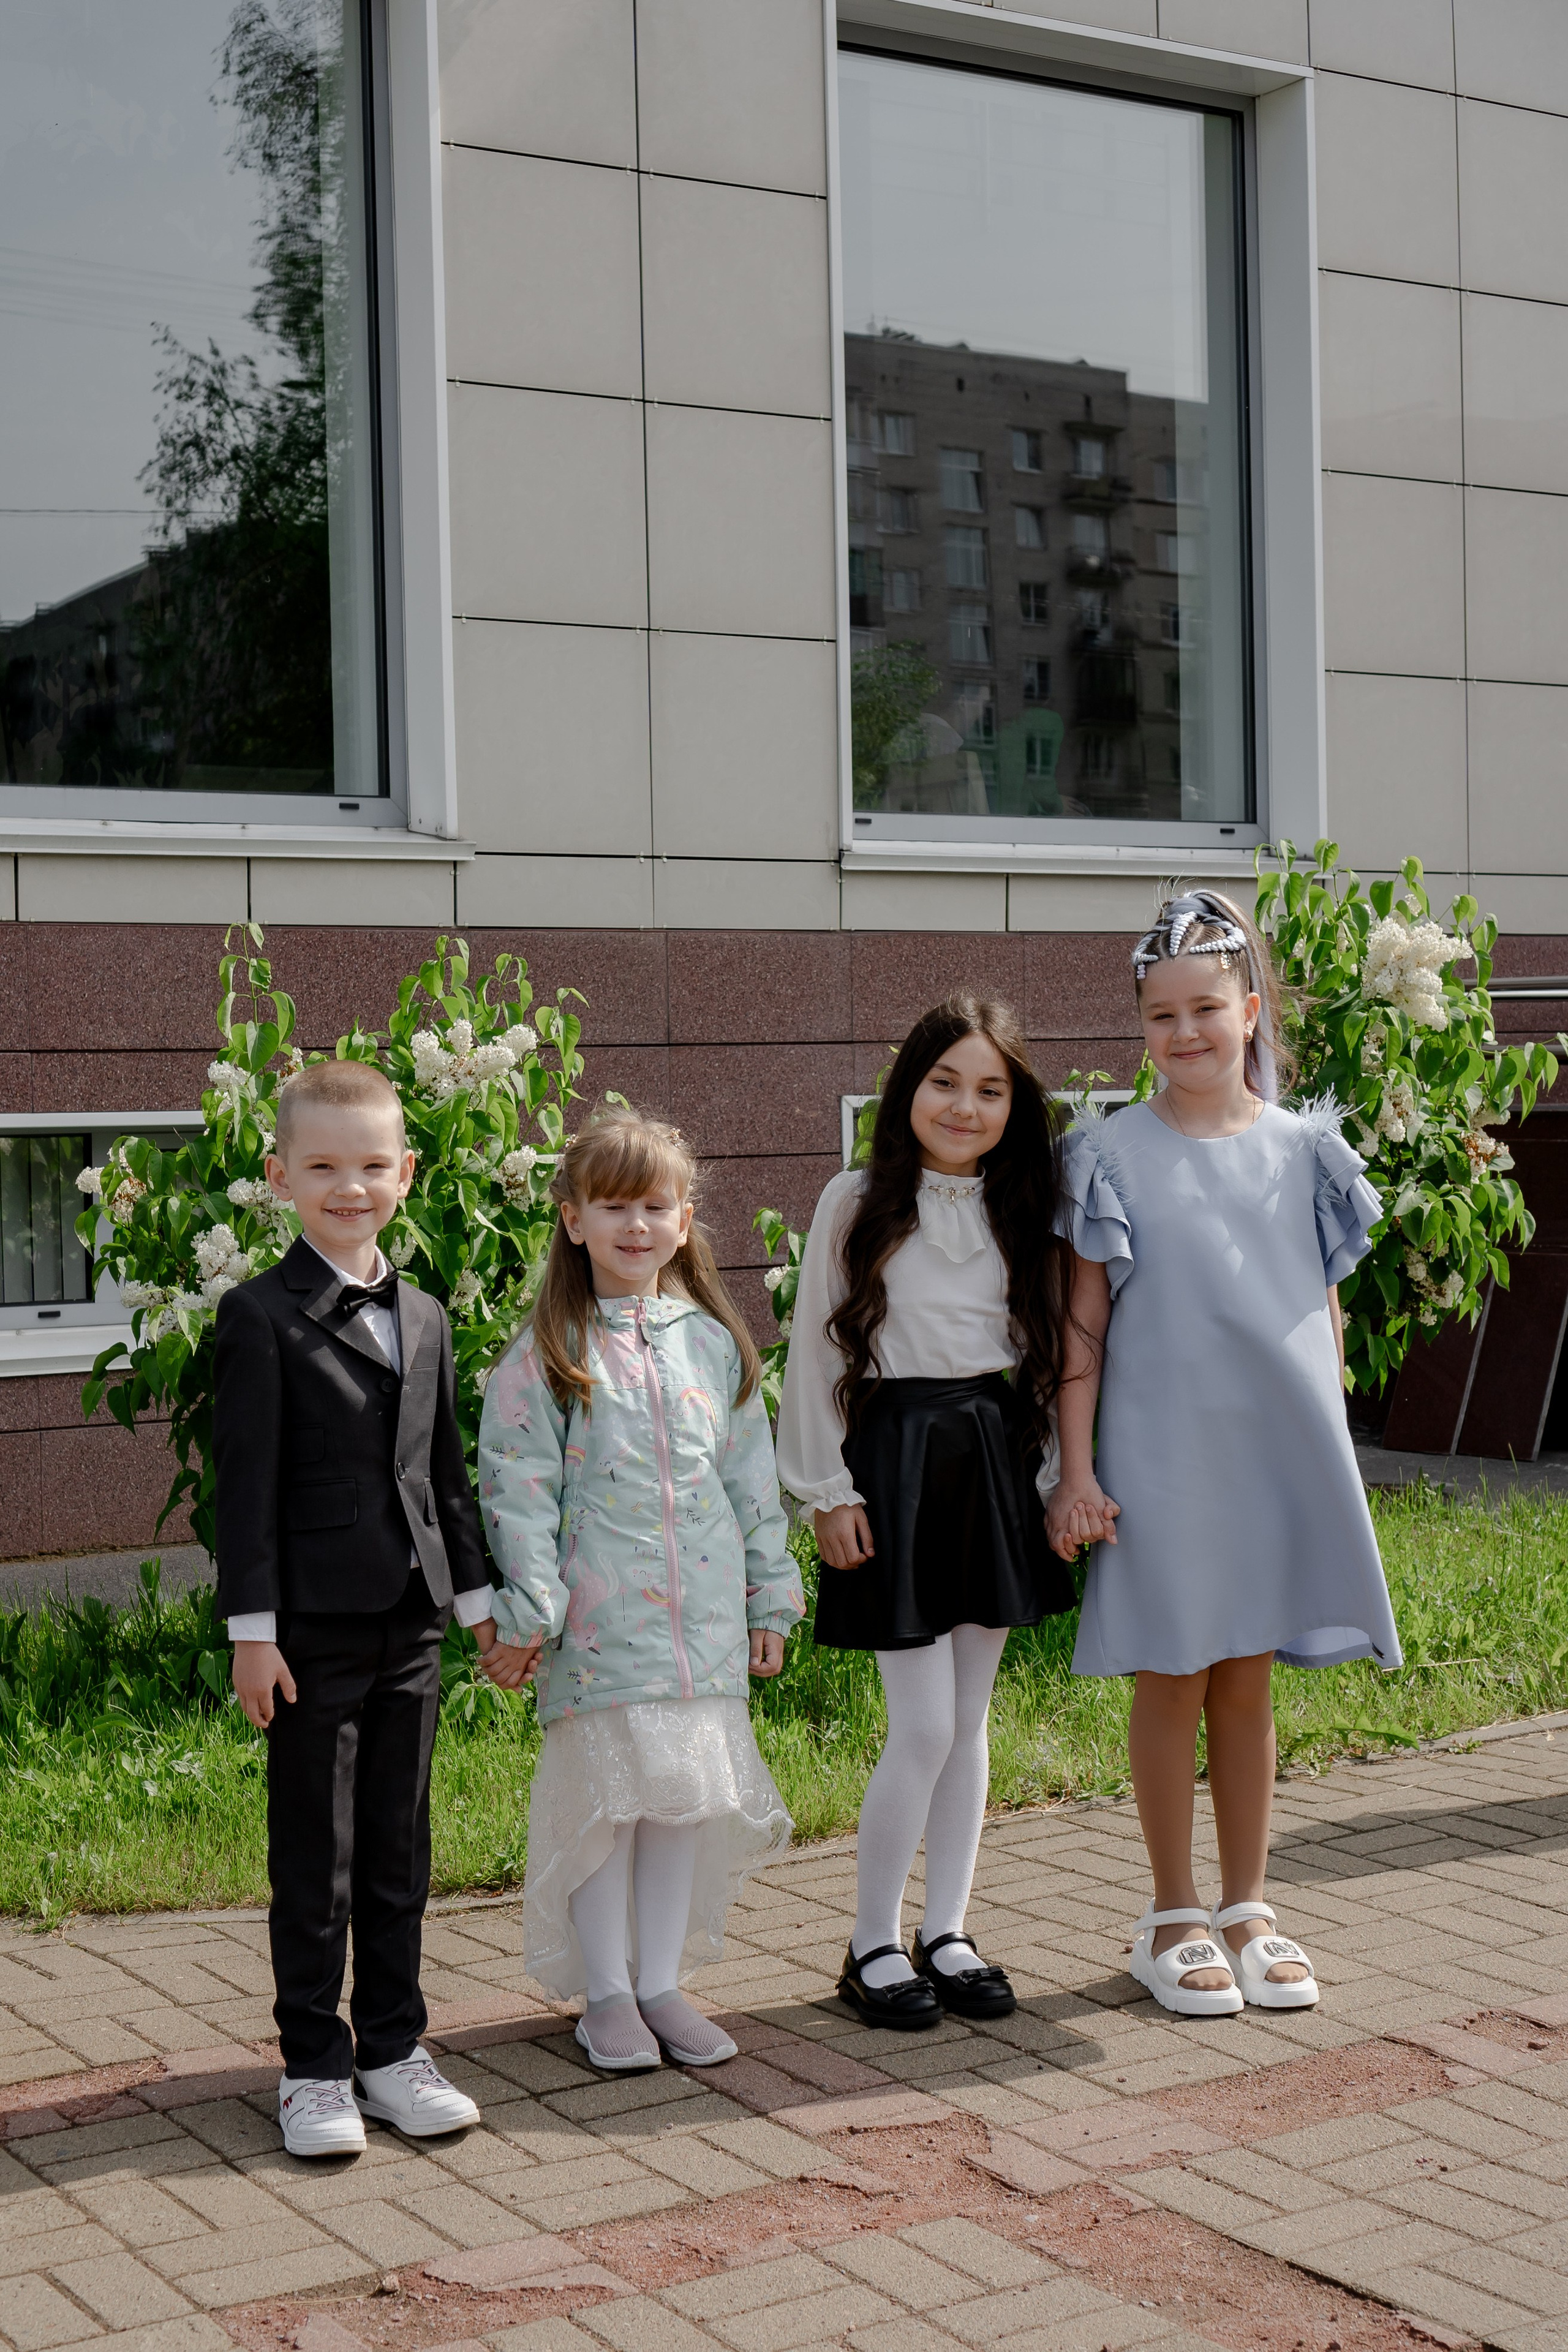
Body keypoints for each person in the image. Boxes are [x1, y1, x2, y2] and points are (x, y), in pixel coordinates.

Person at [1048, 889, 1401, 2017]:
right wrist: (1078, 1468)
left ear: (1251, 1010)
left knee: (1247, 1681)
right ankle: (1171, 1911)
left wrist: (1328, 1444)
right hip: (1161, 1462)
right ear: (1141, 1028)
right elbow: (1081, 1332)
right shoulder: (1107, 1153)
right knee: (1174, 1671)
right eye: (1162, 1017)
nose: (1186, 1033)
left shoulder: (1309, 1150)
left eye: (1207, 1008)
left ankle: (1250, 1903)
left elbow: (1327, 1316)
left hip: (1272, 1459)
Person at [475, 1103, 802, 2075]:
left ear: (686, 1216)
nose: (634, 1227)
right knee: (607, 1811)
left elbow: (751, 1481)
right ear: (572, 1218)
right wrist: (530, 1610)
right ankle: (607, 1995)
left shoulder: (712, 1343)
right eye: (612, 1206)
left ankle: (660, 1982)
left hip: (700, 1632)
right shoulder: (549, 1353)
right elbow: (518, 1490)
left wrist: (771, 1596)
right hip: (600, 1631)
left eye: (654, 1207)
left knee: (678, 1809)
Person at [215, 1060, 500, 2156]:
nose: (351, 1187)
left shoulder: (422, 1313)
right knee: (316, 1856)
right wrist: (253, 1636)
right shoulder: (259, 1319)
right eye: (325, 1166)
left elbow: (445, 1475)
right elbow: (242, 1495)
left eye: (373, 1165)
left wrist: (474, 1602)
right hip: (309, 1639)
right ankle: (313, 2066)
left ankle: (391, 2049)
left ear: (407, 1172)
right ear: (283, 1174)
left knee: (398, 1846)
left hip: (412, 1626)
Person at [777, 995, 1076, 2030]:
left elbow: (1045, 1359)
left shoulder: (1027, 1204)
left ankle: (945, 1930)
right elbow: (814, 1354)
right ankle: (870, 1943)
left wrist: (1048, 1485)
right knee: (926, 1722)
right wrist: (826, 1492)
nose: (966, 1105)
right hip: (893, 1463)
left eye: (991, 1089)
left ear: (1015, 1105)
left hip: (992, 1459)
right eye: (945, 1081)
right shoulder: (853, 1200)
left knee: (972, 1719)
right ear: (908, 1088)